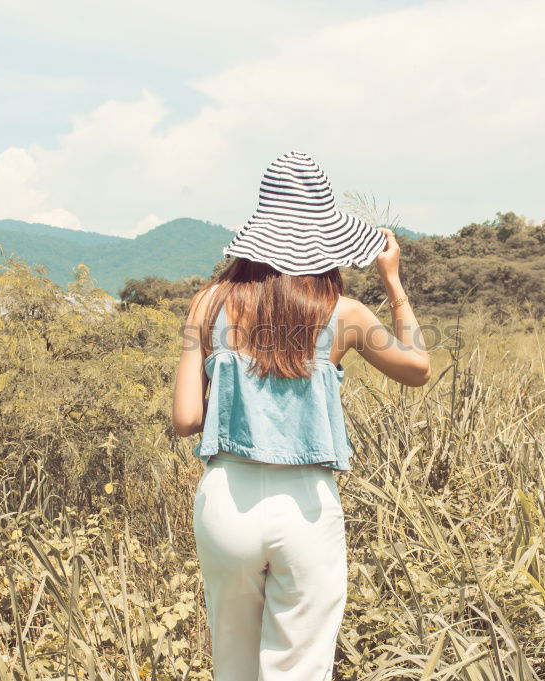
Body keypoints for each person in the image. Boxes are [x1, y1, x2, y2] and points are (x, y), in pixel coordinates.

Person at [171, 150, 431, 681]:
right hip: (307, 508)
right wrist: (394, 284)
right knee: (300, 669)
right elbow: (419, 369)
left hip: (226, 503)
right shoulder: (344, 314)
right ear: (324, 239)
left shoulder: (208, 304)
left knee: (233, 667)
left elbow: (185, 419)